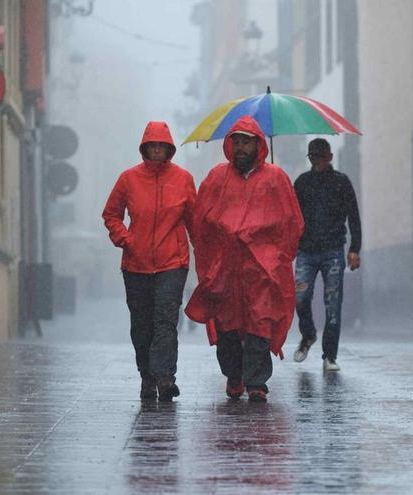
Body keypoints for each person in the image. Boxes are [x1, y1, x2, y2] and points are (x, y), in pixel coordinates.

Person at [185, 116, 304, 402]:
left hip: (262, 268)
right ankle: (234, 375)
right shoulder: (217, 178)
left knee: (259, 323)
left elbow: (291, 222)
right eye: (236, 141)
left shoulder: (276, 178)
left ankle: (256, 381)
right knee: (228, 325)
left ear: (258, 144)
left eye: (246, 142)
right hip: (226, 266)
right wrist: (213, 255)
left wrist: (278, 258)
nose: (240, 147)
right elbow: (202, 221)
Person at [102, 121, 196, 402]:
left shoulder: (183, 179)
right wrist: (127, 240)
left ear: (169, 148)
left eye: (161, 146)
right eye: (152, 145)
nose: (157, 150)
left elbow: (194, 220)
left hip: (172, 262)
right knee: (141, 324)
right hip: (136, 264)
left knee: (165, 320)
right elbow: (111, 214)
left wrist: (205, 253)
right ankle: (147, 376)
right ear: (145, 148)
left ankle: (165, 377)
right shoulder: (128, 179)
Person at [292, 138, 362, 372]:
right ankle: (308, 334)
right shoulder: (301, 183)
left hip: (333, 250)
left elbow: (353, 216)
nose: (317, 160)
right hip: (306, 249)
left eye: (320, 156)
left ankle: (329, 355)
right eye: (312, 156)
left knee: (333, 304)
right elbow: (291, 215)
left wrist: (355, 248)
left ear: (330, 157)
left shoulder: (341, 183)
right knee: (300, 297)